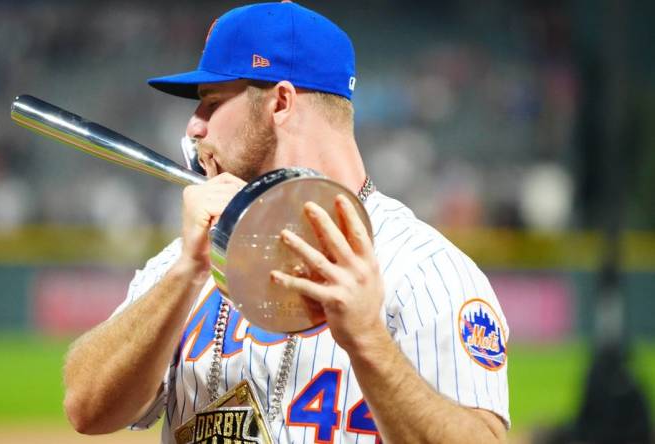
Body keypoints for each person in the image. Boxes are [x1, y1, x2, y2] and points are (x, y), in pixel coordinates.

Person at [63, 2, 510, 443]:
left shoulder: (423, 269)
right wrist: (186, 271)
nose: (194, 128)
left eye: (211, 102)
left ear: (280, 102)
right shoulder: (189, 255)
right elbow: (85, 407)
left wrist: (368, 341)